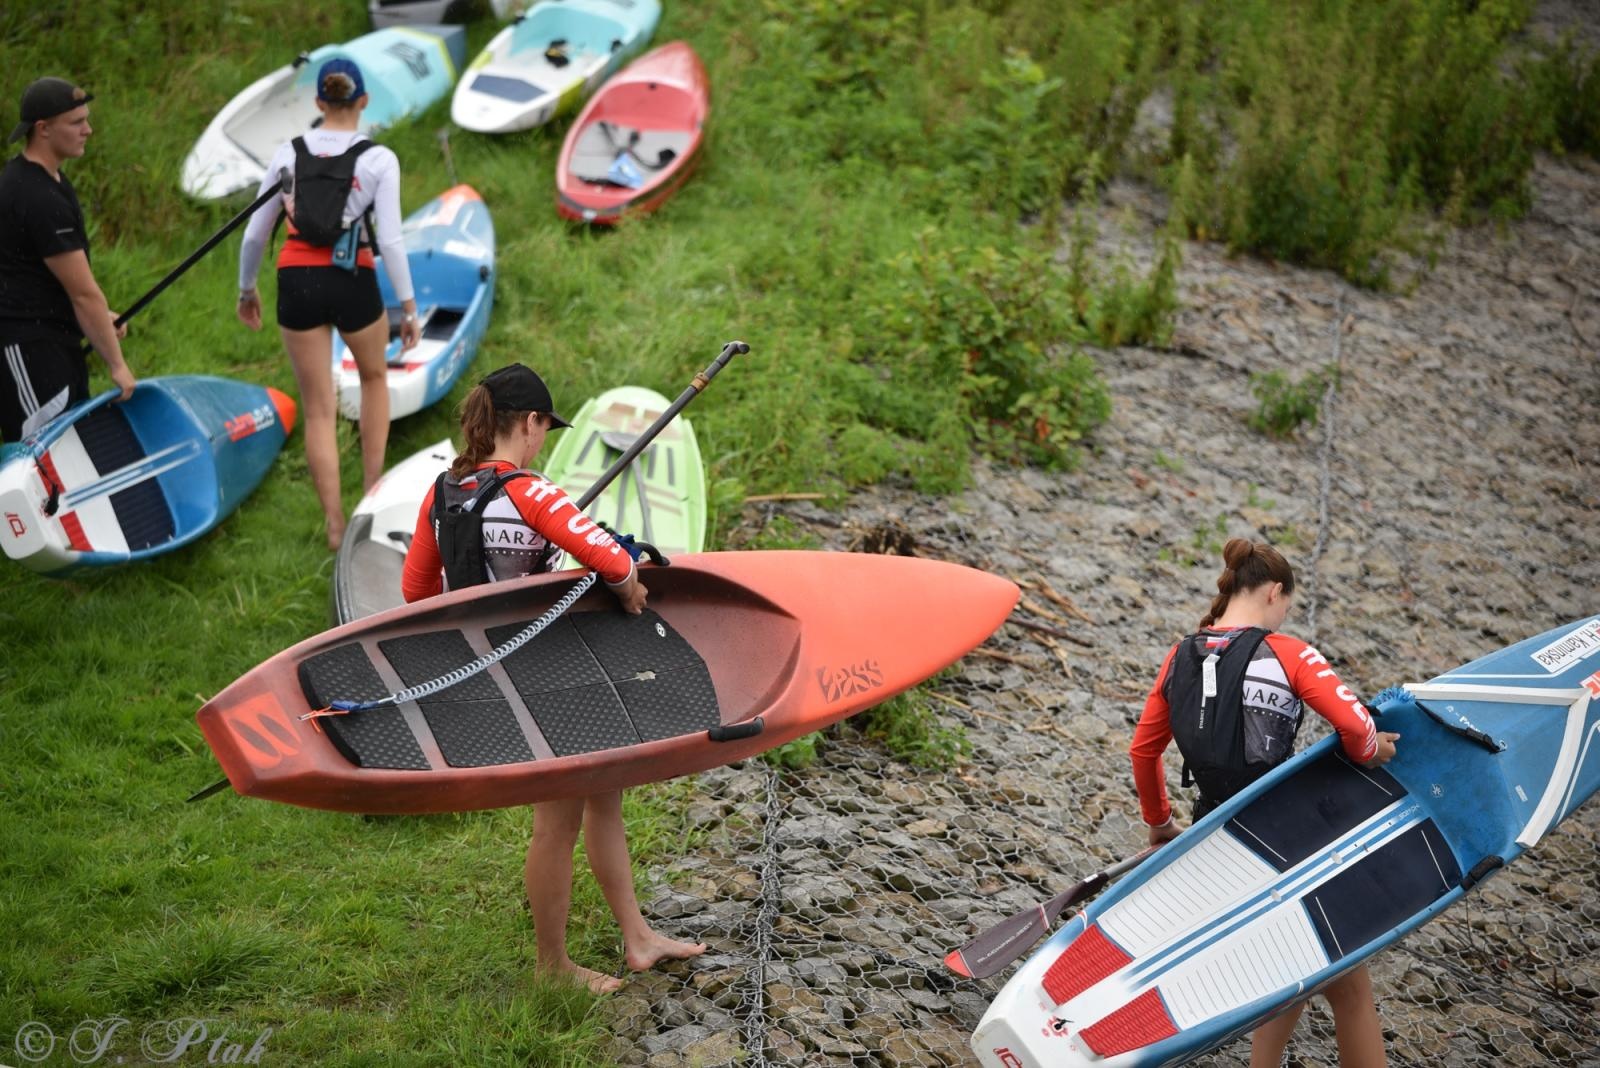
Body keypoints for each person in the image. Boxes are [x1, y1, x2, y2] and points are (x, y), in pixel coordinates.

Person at [401, 363, 706, 993]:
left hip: (490, 671)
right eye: (545, 426)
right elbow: (612, 561)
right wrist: (630, 594)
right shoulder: (531, 492)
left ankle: (638, 937)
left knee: (606, 793)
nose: (544, 438)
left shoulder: (442, 492)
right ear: (530, 422)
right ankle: (552, 969)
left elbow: (415, 592)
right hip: (545, 678)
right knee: (557, 822)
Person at [1129, 538, 1400, 1068]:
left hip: (1215, 836)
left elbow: (1144, 751)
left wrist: (1160, 823)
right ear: (1276, 592)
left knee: (1290, 967)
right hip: (1287, 835)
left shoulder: (1179, 656)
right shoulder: (1288, 652)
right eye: (1286, 606)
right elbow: (1355, 728)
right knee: (1349, 988)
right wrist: (1372, 751)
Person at [236, 57, 419, 550]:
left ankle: (336, 526)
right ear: (363, 100)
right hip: (351, 278)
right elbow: (393, 240)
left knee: (318, 410)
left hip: (296, 279)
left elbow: (255, 233)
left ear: (319, 103)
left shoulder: (287, 154)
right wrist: (408, 304)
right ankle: (372, 501)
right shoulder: (378, 159)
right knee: (375, 378)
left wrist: (246, 289)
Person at [0, 76, 134, 443]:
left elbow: (54, 280)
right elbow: (83, 294)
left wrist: (99, 325)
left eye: (87, 120)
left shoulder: (51, 180)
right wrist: (117, 365)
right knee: (38, 457)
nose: (88, 130)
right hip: (27, 348)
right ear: (43, 129)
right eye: (76, 123)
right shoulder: (34, 195)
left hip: (57, 340)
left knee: (73, 448)